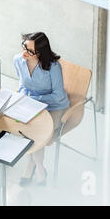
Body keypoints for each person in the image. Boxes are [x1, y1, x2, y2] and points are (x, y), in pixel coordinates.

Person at [13, 32, 70, 186]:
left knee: (37, 133)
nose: (24, 52)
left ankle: (37, 166)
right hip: (31, 102)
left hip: (54, 106)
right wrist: (22, 97)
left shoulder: (53, 67)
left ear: (40, 52)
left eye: (30, 51)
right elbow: (22, 84)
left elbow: (58, 96)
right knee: (21, 128)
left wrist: (33, 99)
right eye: (24, 46)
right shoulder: (18, 60)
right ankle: (34, 165)